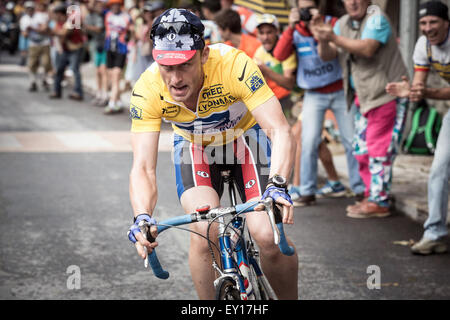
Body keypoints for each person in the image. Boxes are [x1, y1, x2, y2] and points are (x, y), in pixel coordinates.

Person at [126, 8, 298, 300]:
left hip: (246, 139)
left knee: (267, 235)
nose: (175, 79)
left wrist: (278, 185)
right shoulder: (147, 88)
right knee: (204, 232)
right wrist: (142, 216)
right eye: (167, 67)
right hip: (195, 146)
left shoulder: (234, 65)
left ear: (203, 55)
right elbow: (143, 167)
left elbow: (280, 130)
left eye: (185, 65)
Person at [313, 0, 409, 218]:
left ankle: (379, 201)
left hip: (387, 94)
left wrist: (333, 37)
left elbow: (367, 48)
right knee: (361, 150)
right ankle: (371, 195)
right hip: (362, 98)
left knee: (378, 151)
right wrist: (322, 37)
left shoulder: (377, 18)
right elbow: (327, 55)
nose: (353, 2)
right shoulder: (343, 23)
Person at [273, 0, 365, 206]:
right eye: (302, 9)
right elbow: (279, 55)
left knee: (351, 140)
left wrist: (318, 29)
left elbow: (329, 54)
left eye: (309, 8)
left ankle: (360, 190)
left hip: (339, 89)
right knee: (309, 141)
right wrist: (289, 27)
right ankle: (307, 191)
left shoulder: (332, 23)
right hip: (313, 93)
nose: (306, 13)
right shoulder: (295, 30)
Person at [386, 1, 449, 254]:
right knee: (439, 168)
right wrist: (410, 92)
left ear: (446, 23)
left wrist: (427, 91)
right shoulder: (423, 45)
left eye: (433, 22)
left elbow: (431, 91)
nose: (427, 27)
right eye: (423, 23)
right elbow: (420, 88)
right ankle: (435, 233)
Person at [49, 2, 85, 101]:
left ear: (60, 14)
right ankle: (57, 91)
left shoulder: (72, 20)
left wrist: (51, 31)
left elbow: (63, 34)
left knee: (75, 70)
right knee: (59, 69)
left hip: (75, 49)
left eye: (56, 14)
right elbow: (58, 36)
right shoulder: (59, 23)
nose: (55, 16)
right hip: (64, 50)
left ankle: (78, 92)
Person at [103, 0, 132, 114]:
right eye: (112, 5)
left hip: (121, 49)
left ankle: (111, 104)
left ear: (120, 5)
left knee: (115, 77)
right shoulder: (108, 15)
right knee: (111, 77)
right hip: (110, 48)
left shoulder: (126, 17)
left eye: (116, 5)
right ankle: (118, 102)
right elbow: (107, 31)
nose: (114, 7)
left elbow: (131, 32)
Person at [20, 0, 52, 92]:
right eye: (27, 9)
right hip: (33, 44)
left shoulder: (41, 16)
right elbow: (24, 33)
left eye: (31, 9)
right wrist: (26, 31)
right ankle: (33, 82)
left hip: (44, 42)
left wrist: (32, 28)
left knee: (46, 63)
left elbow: (44, 29)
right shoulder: (24, 19)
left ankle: (44, 80)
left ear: (34, 9)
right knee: (32, 64)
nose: (29, 10)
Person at [85, 0, 108, 106]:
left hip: (104, 44)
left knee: (103, 70)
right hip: (95, 44)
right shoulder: (87, 16)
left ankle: (105, 94)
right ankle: (99, 93)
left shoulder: (102, 14)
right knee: (97, 70)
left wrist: (87, 27)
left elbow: (99, 29)